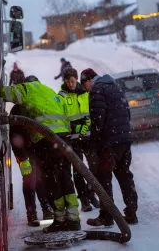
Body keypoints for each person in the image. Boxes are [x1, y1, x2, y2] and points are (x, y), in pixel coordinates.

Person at [0, 75, 81, 233]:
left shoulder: (29, 89)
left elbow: (5, 92)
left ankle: (60, 220)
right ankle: (74, 218)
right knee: (65, 177)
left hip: (47, 141)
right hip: (63, 139)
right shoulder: (49, 91)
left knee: (52, 179)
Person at [80, 68, 139, 226]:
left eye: (84, 85)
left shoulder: (97, 90)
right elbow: (127, 113)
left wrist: (94, 141)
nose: (86, 89)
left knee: (103, 177)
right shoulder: (115, 86)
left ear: (88, 80)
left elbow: (98, 118)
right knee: (124, 174)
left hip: (110, 143)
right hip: (124, 139)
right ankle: (131, 212)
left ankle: (107, 216)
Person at [57, 68, 100, 212]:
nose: (70, 84)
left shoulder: (86, 93)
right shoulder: (61, 96)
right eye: (68, 81)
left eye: (73, 81)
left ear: (76, 79)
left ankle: (91, 194)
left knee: (94, 168)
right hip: (73, 139)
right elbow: (60, 118)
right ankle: (84, 200)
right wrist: (75, 127)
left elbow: (93, 112)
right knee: (78, 170)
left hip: (88, 137)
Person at [9, 102, 54, 227]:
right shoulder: (18, 110)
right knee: (30, 179)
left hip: (36, 148)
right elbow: (15, 137)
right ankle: (31, 213)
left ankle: (46, 208)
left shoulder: (35, 106)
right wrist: (23, 159)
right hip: (24, 151)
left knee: (41, 178)